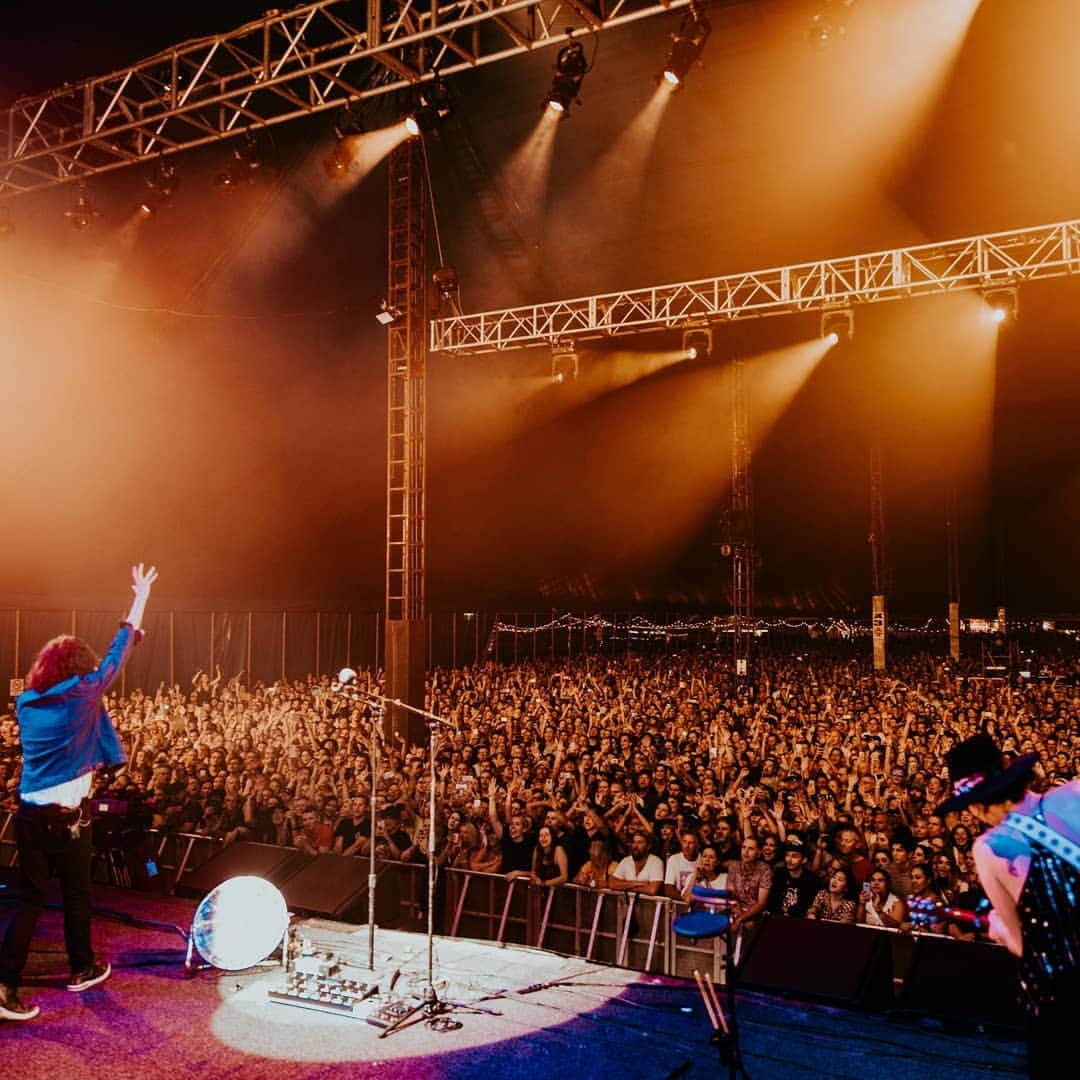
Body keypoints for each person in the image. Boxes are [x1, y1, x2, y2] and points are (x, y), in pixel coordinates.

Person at [0, 564, 157, 1022]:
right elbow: (118, 653)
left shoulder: (26, 702)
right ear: (79, 668)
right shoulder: (84, 692)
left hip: (28, 813)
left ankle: (6, 984)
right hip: (67, 820)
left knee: (30, 899)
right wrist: (140, 599)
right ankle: (81, 966)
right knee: (76, 894)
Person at [938, 734, 1080, 1078]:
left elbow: (1023, 942)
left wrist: (993, 925)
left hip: (1064, 1004)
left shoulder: (990, 847)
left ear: (976, 803)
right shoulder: (1073, 793)